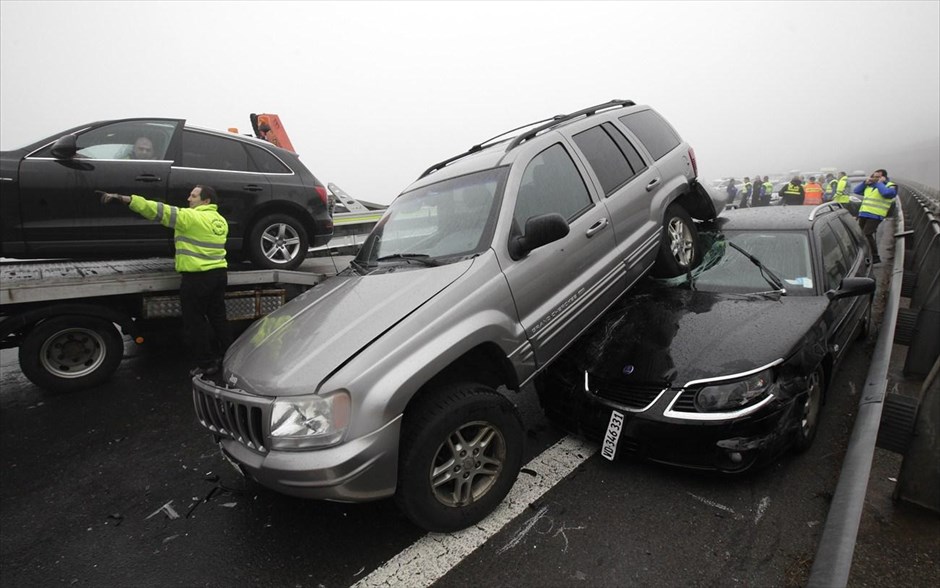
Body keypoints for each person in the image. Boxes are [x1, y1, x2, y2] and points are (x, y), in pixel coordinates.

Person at [99, 185, 231, 377]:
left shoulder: (190, 217)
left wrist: (124, 198)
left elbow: (156, 209)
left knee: (195, 323)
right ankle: (228, 355)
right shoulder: (220, 221)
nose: (188, 199)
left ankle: (206, 363)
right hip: (219, 275)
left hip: (197, 278)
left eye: (193, 196)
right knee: (219, 318)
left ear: (206, 201)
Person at [853, 169, 898, 264]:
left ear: (884, 177)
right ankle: (864, 254)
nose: (875, 179)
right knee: (861, 235)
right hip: (864, 213)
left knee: (867, 234)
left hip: (876, 215)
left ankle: (875, 256)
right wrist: (865, 183)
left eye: (878, 177)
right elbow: (856, 190)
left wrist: (880, 183)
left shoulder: (890, 186)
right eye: (873, 176)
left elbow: (887, 194)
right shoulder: (869, 186)